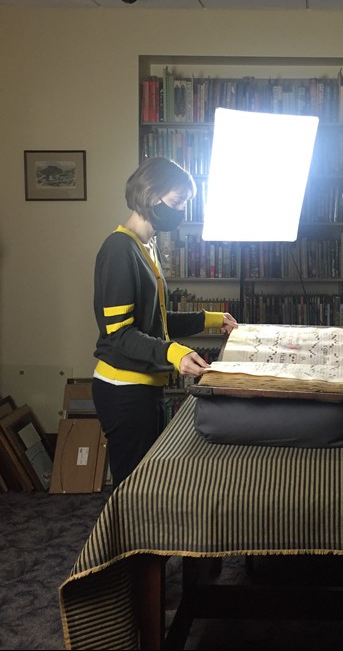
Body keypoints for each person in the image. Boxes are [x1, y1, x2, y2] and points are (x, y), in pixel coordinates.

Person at [92, 156, 238, 486]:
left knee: (147, 481)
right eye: (176, 202)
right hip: (123, 389)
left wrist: (212, 319)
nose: (180, 211)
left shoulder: (147, 246)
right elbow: (120, 335)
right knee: (132, 486)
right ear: (149, 194)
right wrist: (175, 354)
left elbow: (155, 321)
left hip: (143, 387)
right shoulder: (119, 250)